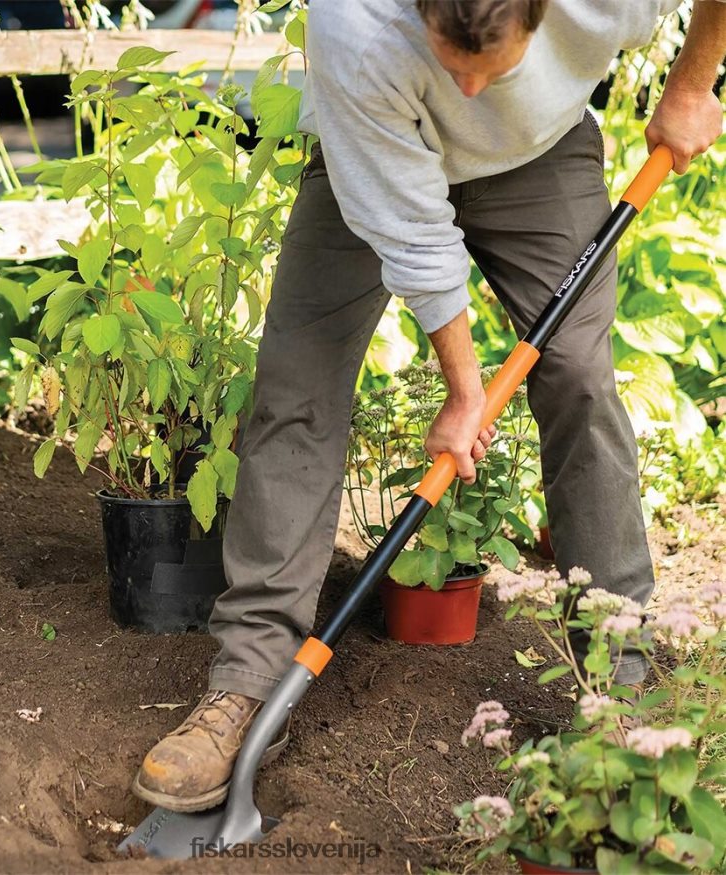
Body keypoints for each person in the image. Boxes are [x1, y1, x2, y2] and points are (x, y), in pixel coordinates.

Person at [133, 0, 725, 813]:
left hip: (540, 151)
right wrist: (463, 390)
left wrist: (691, 84)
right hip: (375, 150)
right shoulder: (355, 23)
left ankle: (618, 684)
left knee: (579, 378)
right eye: (450, 63)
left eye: (492, 67)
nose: (468, 91)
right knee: (296, 390)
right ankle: (248, 678)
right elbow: (409, 229)